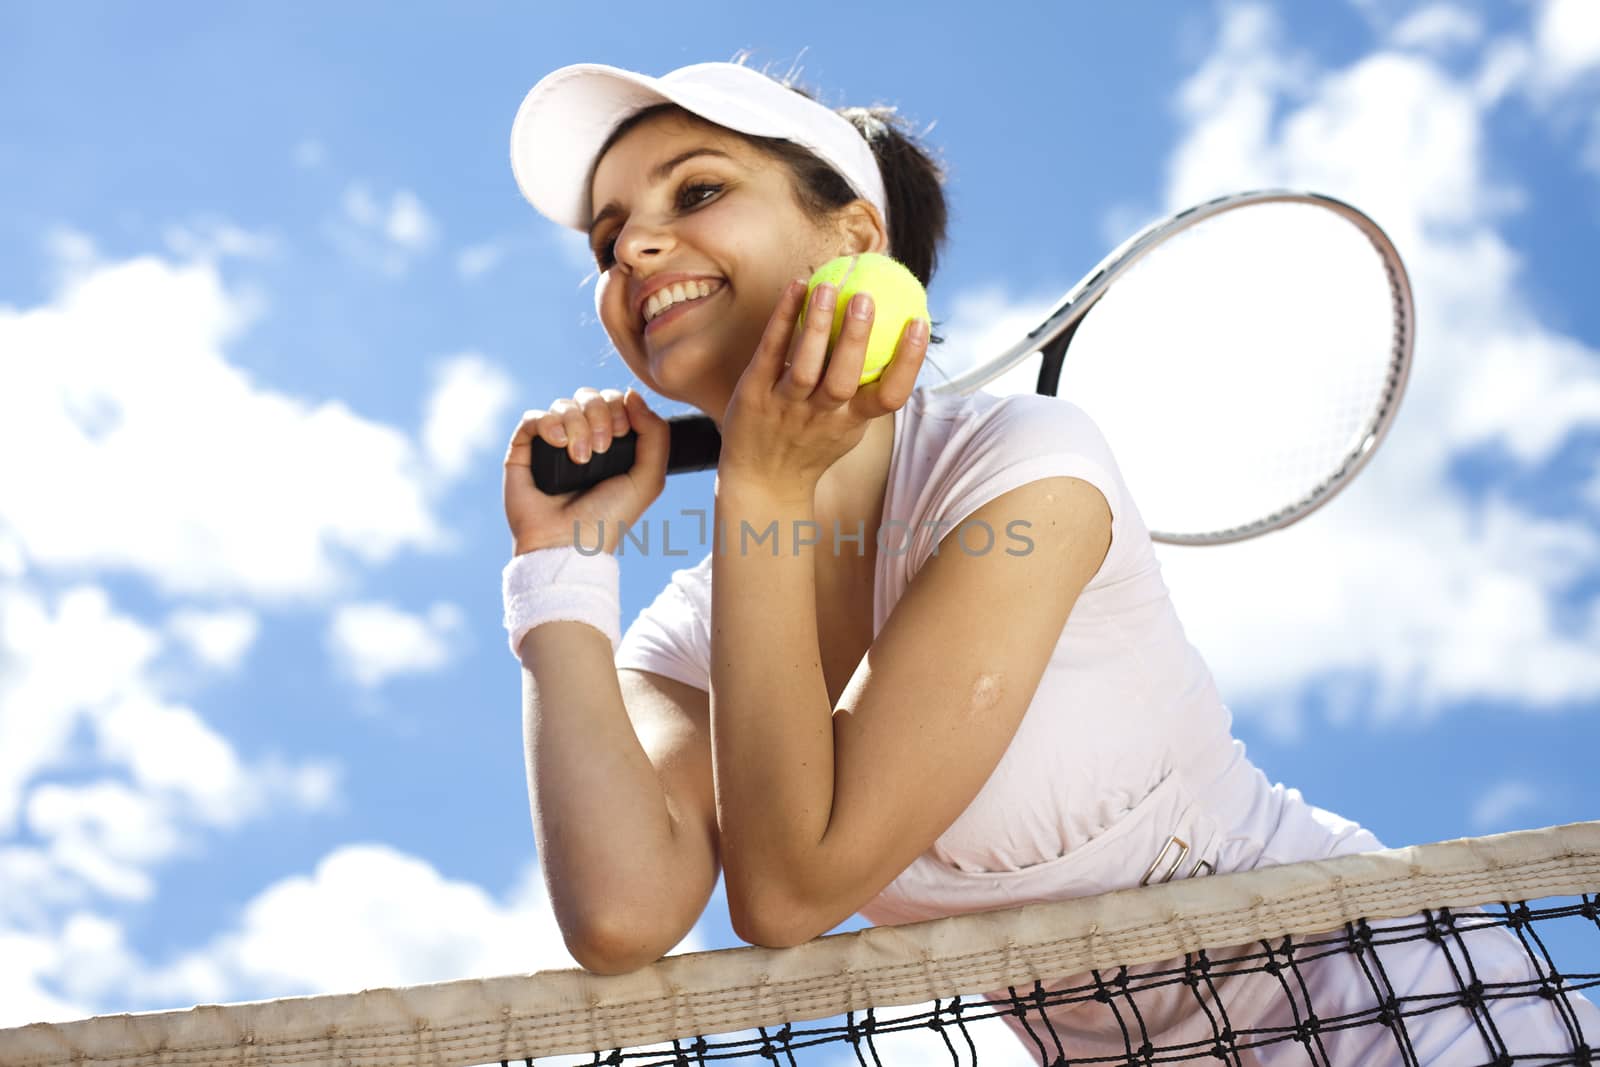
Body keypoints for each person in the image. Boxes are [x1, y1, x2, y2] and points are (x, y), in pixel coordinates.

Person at [499, 60, 1596, 1064]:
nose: (634, 249)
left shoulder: (1025, 466)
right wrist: (561, 569)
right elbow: (622, 915)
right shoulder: (686, 640)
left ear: (852, 242)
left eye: (695, 193)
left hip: (1397, 1004)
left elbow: (788, 888)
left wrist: (764, 482)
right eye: (607, 241)